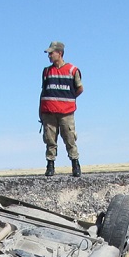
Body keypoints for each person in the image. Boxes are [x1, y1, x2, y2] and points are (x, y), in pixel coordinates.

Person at [39, 41, 83, 177]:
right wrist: (41, 111)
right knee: (50, 139)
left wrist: (67, 100)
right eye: (49, 53)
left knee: (69, 138)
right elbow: (43, 91)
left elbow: (79, 88)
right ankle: (50, 166)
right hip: (49, 112)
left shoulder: (72, 70)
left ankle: (75, 165)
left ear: (60, 53)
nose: (49, 56)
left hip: (66, 113)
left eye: (51, 53)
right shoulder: (46, 71)